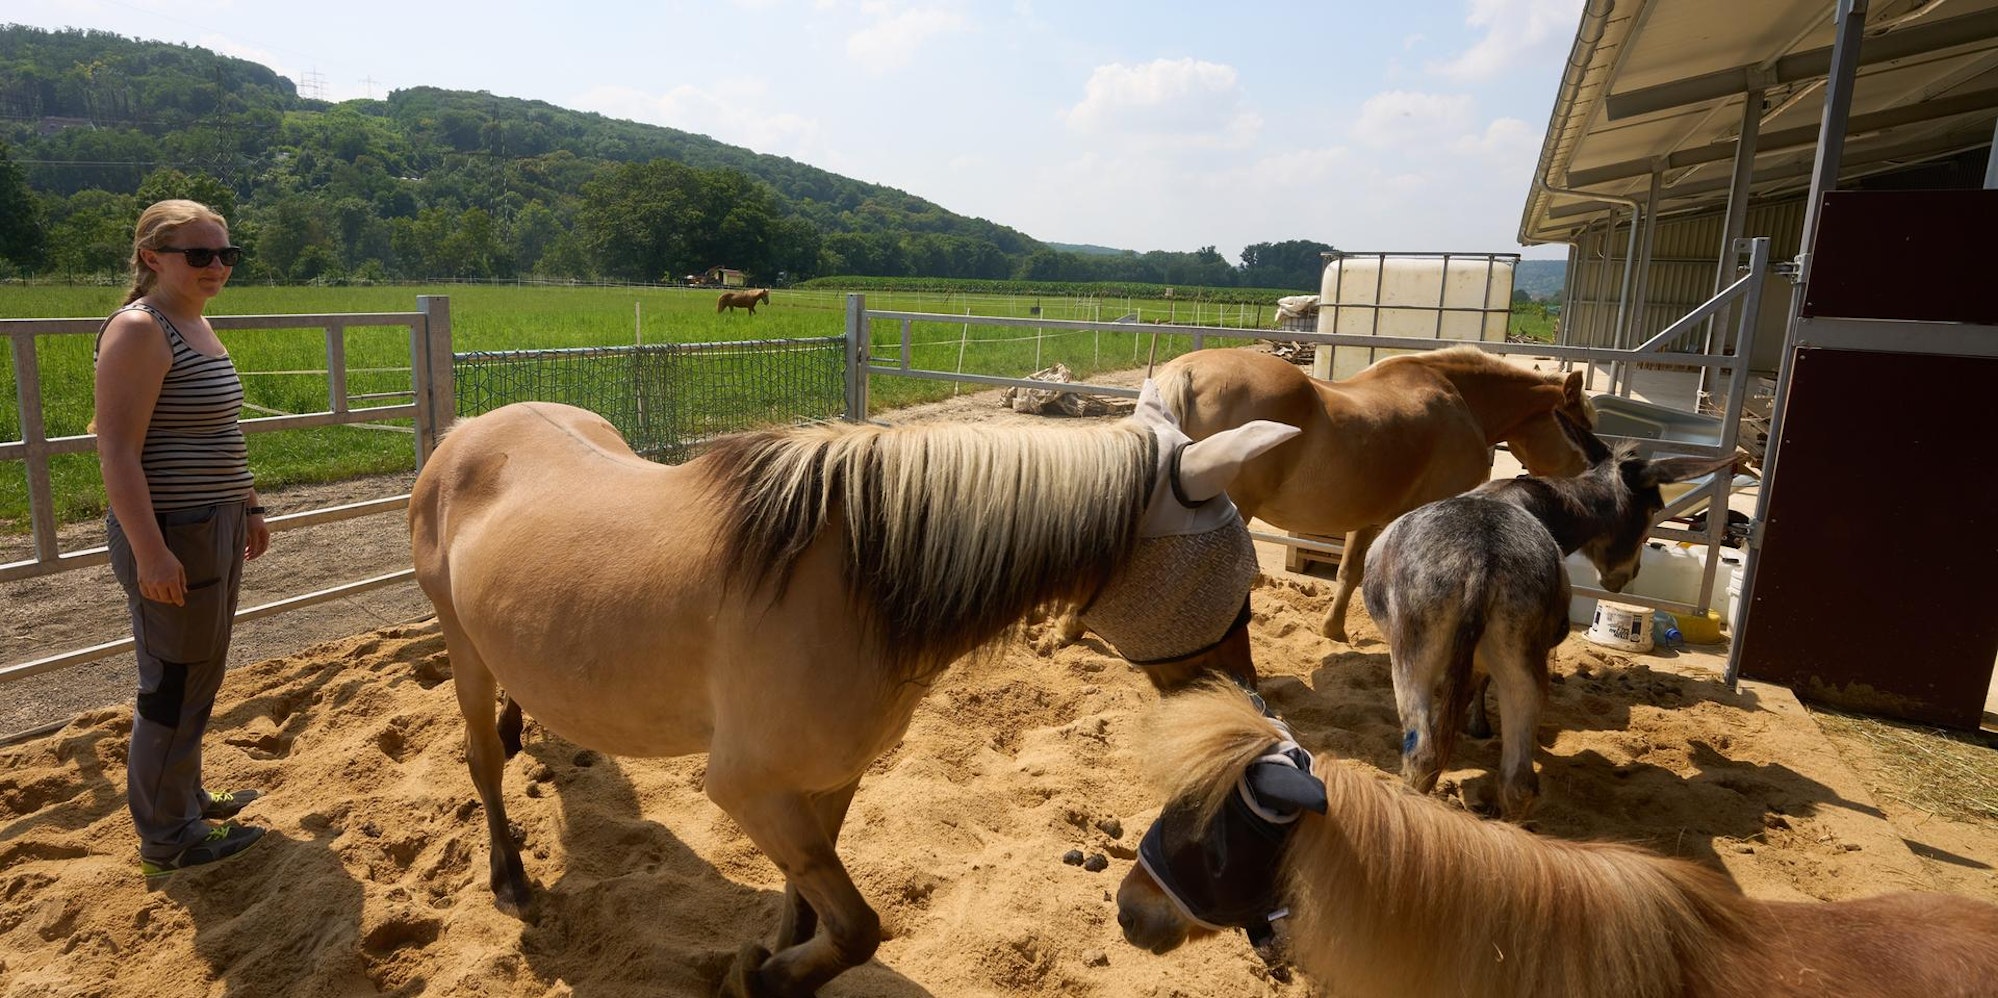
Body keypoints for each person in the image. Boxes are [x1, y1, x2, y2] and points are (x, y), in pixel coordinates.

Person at [93, 199, 269, 881]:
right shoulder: (141, 330)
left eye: (225, 254)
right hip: (172, 528)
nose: (216, 266)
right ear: (151, 257)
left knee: (201, 667)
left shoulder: (195, 323)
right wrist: (150, 551)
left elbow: (222, 431)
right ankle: (168, 837)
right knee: (171, 680)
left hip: (213, 521)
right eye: (199, 255)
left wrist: (249, 503)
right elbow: (115, 451)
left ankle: (186, 798)